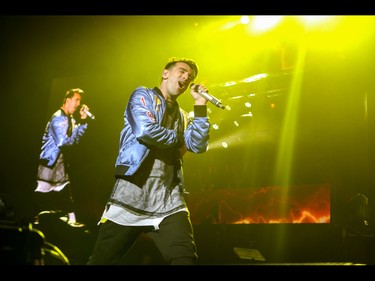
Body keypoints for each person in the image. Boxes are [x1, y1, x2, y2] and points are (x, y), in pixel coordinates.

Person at [87, 57, 211, 265]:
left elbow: (197, 146)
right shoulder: (142, 95)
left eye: (190, 77)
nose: (186, 77)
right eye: (181, 71)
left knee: (185, 258)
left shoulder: (182, 115)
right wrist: (179, 140)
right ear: (165, 73)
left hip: (168, 199)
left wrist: (199, 105)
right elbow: (146, 130)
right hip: (131, 194)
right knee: (101, 260)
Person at [34, 88, 92, 227]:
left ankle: (72, 220)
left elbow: (75, 140)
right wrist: (73, 137)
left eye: (79, 101)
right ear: (67, 100)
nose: (78, 104)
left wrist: (83, 122)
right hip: (50, 163)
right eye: (76, 100)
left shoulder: (70, 119)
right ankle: (32, 219)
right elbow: (63, 142)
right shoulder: (58, 117)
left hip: (60, 164)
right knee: (42, 191)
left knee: (66, 192)